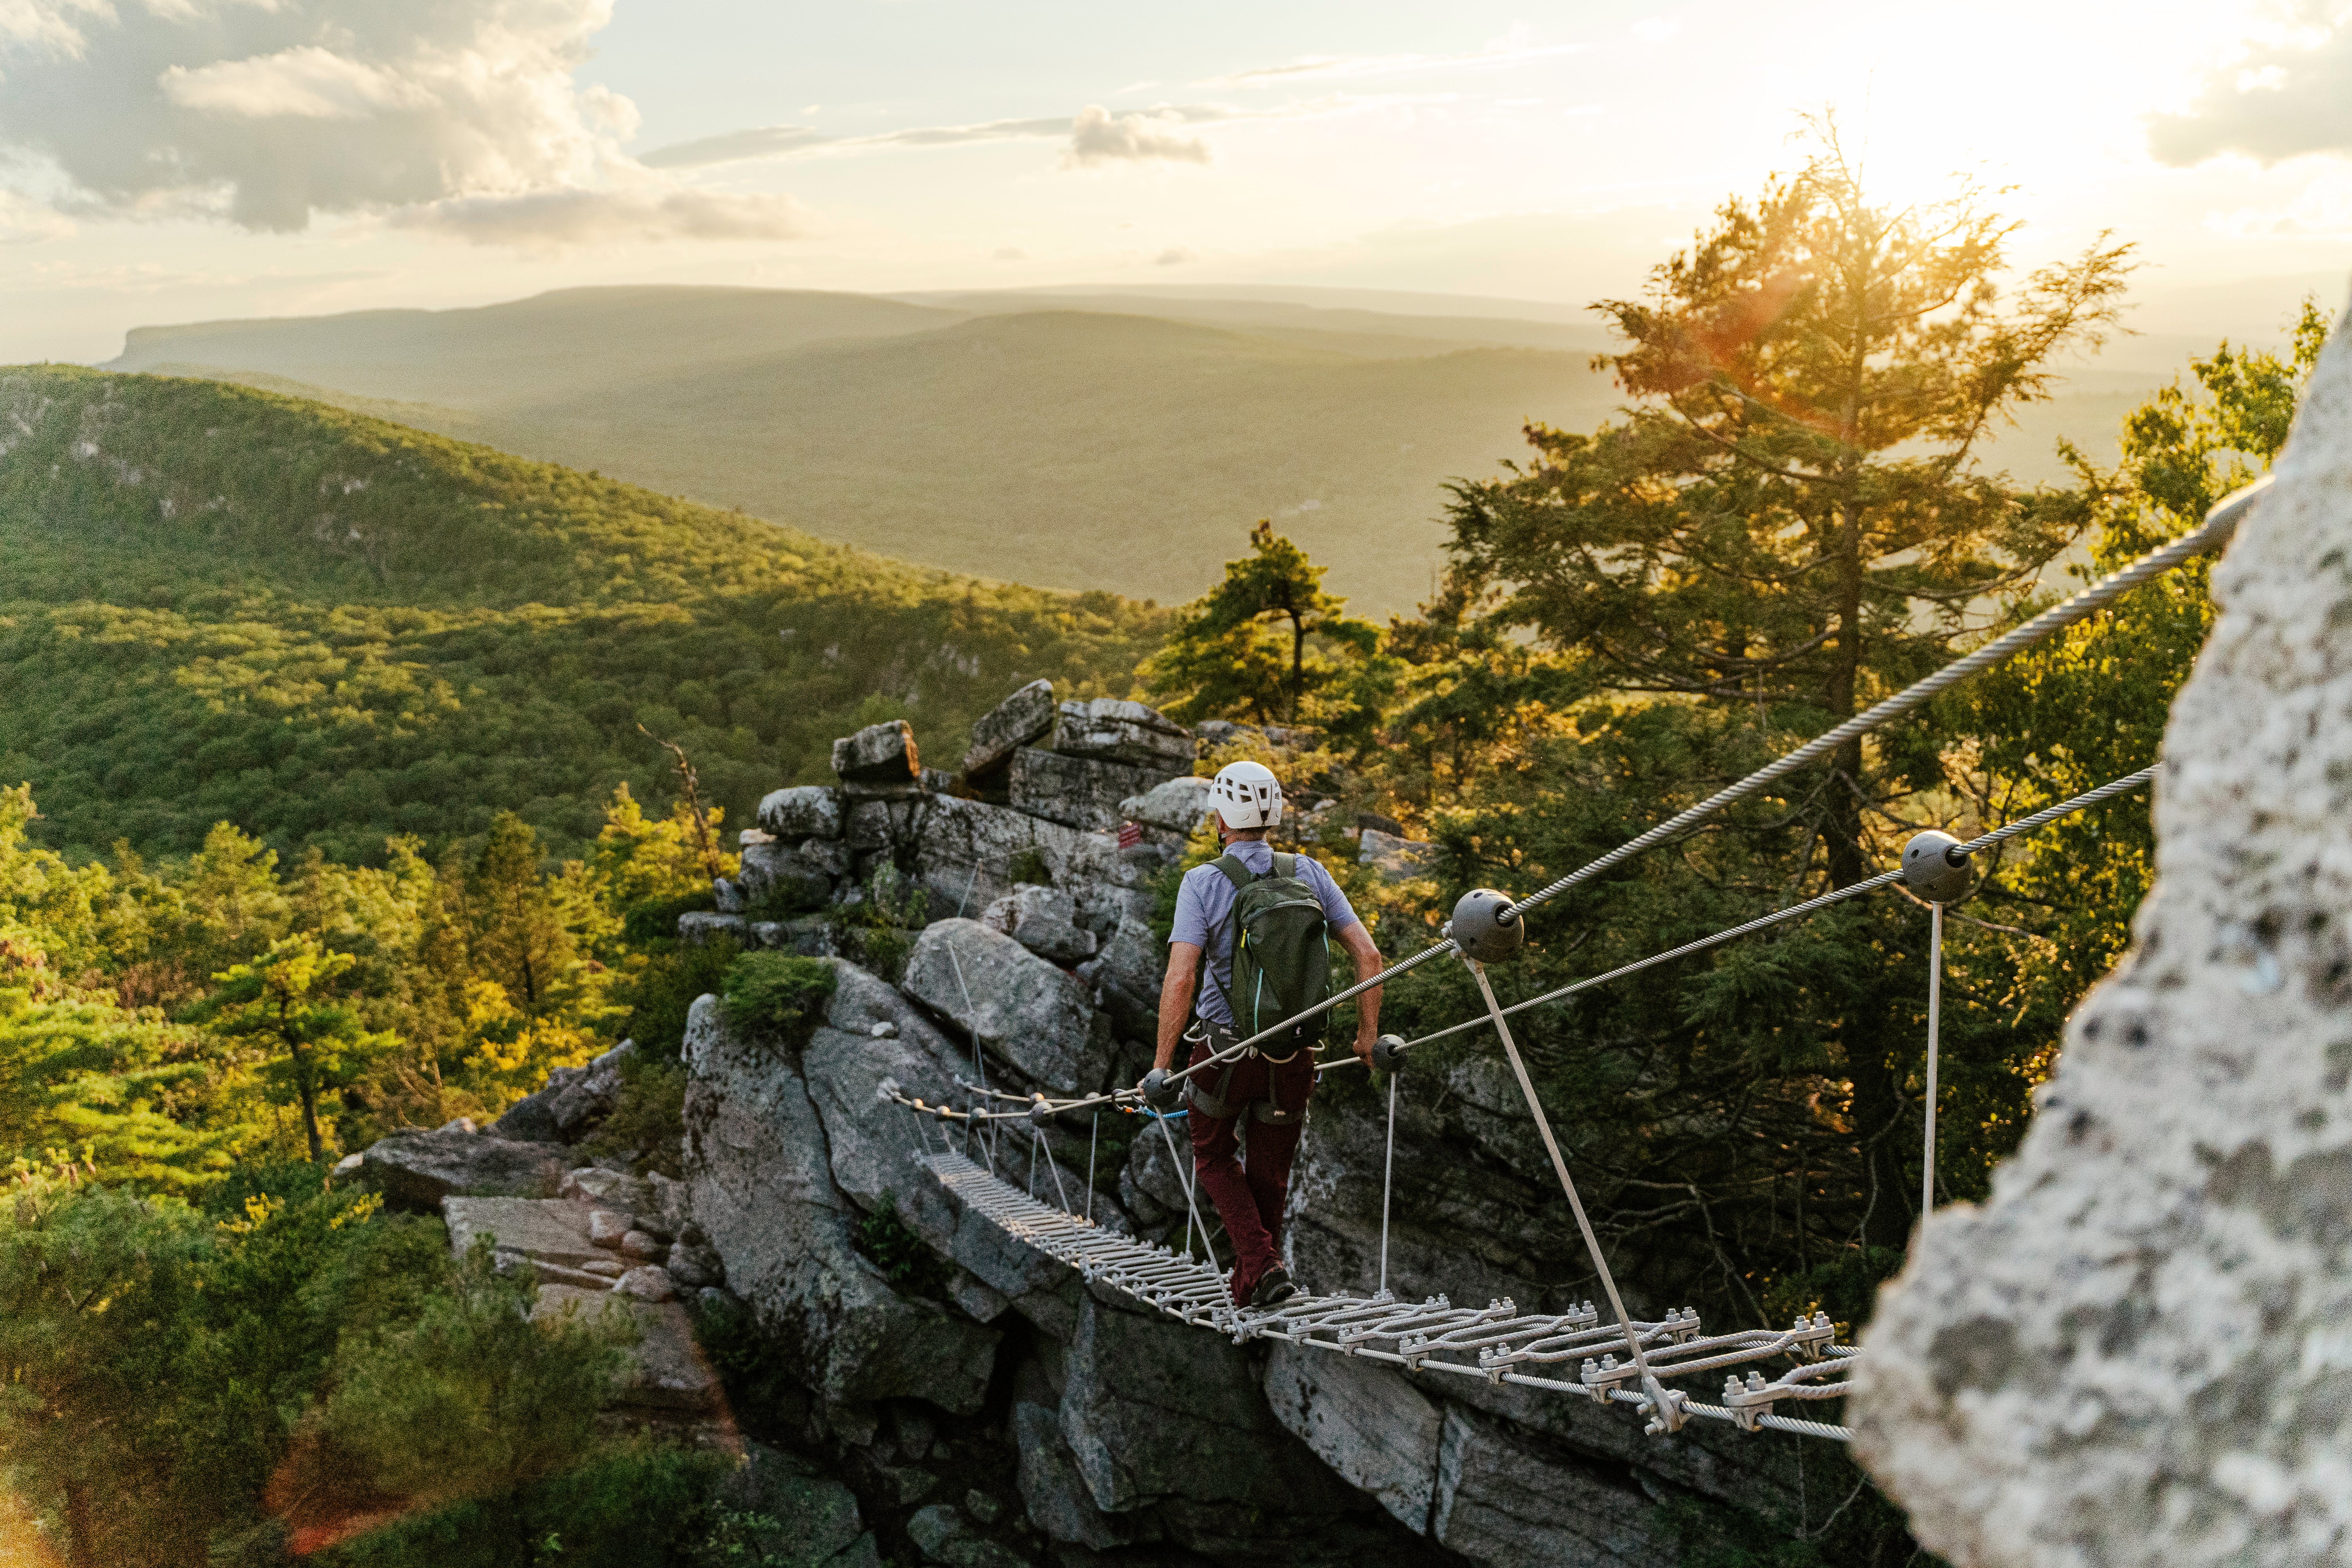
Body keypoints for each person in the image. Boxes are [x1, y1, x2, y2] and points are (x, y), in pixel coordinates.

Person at [1144, 760, 1383, 1308]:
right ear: (1273, 813)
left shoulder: (1202, 882)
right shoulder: (1311, 873)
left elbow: (1182, 977)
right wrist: (1367, 1036)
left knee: (1213, 1156)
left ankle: (1258, 1264)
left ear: (1222, 819)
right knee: (1270, 1174)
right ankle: (1257, 1276)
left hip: (1223, 1056)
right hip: (1294, 1055)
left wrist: (1162, 1064)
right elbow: (1369, 957)